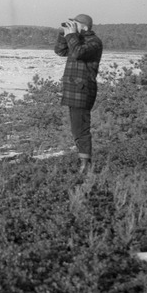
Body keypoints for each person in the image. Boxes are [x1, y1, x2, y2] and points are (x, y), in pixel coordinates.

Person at [55, 13, 104, 174]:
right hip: (73, 90)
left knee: (81, 128)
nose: (72, 27)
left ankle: (86, 164)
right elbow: (60, 51)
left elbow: (77, 52)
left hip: (83, 90)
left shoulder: (94, 42)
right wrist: (64, 35)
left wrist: (72, 36)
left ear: (84, 26)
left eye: (74, 24)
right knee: (76, 128)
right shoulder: (77, 39)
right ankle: (83, 161)